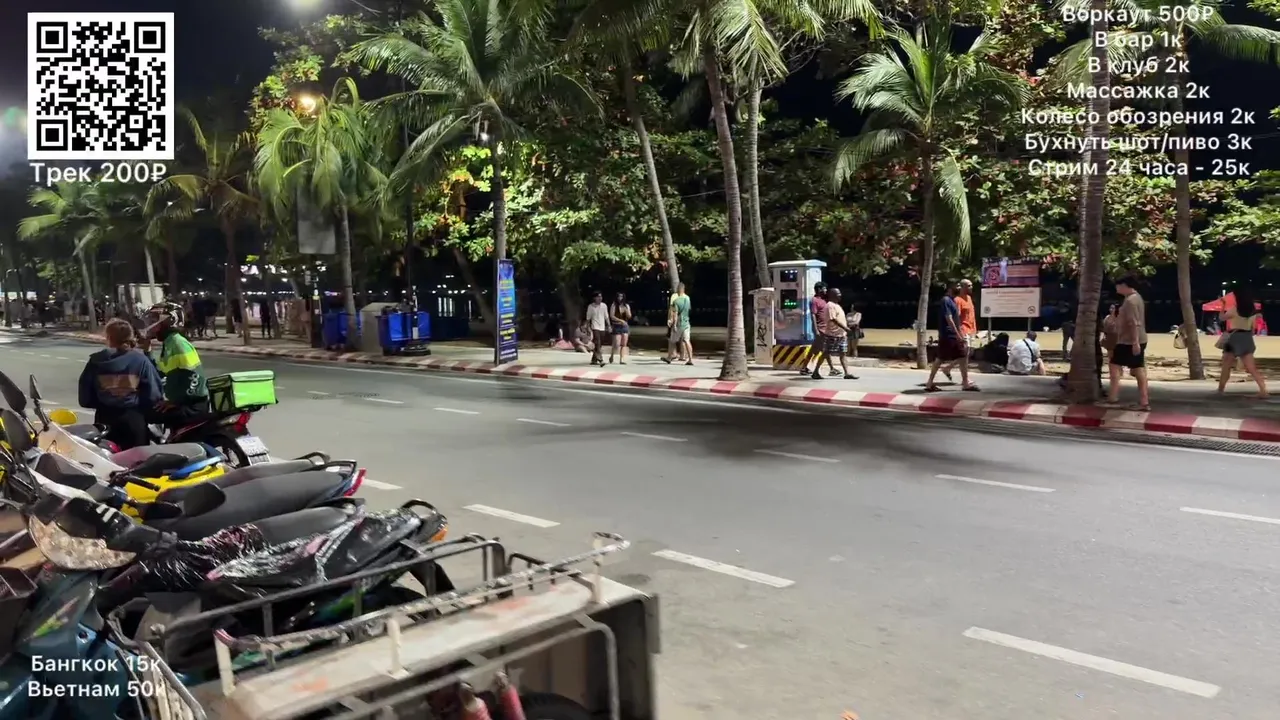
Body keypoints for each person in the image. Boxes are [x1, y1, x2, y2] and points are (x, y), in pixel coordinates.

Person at [78, 318, 164, 450]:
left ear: (109, 337)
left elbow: (85, 398)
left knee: (107, 458)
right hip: (133, 420)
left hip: (104, 421)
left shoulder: (96, 361)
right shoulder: (141, 360)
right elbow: (153, 395)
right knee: (136, 459)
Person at [142, 302, 211, 428]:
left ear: (169, 321)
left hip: (191, 406)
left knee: (143, 414)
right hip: (184, 403)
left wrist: (176, 402)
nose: (152, 325)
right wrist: (147, 351)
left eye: (155, 320)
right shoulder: (169, 343)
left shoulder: (178, 344)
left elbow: (195, 377)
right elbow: (158, 373)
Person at [1106, 275, 1149, 410]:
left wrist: (1135, 343)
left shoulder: (1131, 301)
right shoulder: (1135, 298)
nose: (1116, 288)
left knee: (1116, 365)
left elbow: (1133, 323)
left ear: (1124, 285)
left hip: (1129, 341)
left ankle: (1114, 398)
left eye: (1118, 286)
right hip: (1133, 339)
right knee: (1137, 368)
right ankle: (1143, 401)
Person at [925, 283, 978, 392]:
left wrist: (960, 333)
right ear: (950, 288)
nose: (959, 287)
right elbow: (949, 319)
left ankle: (930, 383)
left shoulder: (952, 300)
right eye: (957, 286)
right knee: (961, 356)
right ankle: (965, 383)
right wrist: (958, 335)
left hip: (950, 335)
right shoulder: (946, 300)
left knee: (943, 358)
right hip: (949, 335)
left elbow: (956, 319)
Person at [1216, 287, 1268, 398]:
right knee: (1251, 368)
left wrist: (1223, 305)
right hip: (1247, 338)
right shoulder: (1253, 312)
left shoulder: (1234, 309)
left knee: (1226, 366)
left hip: (1234, 338)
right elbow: (1253, 329)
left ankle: (1221, 389)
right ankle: (1263, 390)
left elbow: (1221, 318)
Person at [811, 288, 857, 380]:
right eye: (838, 294)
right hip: (833, 335)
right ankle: (815, 372)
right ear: (832, 295)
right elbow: (833, 319)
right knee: (826, 353)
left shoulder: (837, 305)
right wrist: (846, 328)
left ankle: (847, 373)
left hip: (841, 335)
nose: (840, 295)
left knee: (843, 353)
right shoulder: (830, 305)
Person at [939, 279, 976, 381]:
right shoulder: (957, 300)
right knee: (964, 355)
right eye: (969, 285)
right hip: (963, 329)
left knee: (966, 354)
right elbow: (956, 317)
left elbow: (971, 315)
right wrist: (959, 332)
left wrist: (974, 329)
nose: (971, 287)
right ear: (963, 287)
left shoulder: (969, 298)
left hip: (970, 329)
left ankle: (948, 368)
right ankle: (965, 379)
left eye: (971, 285)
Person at [800, 282, 838, 377]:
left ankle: (804, 368)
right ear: (819, 289)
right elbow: (813, 315)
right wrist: (816, 329)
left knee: (818, 349)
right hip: (821, 329)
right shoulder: (814, 300)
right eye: (824, 288)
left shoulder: (824, 300)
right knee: (823, 349)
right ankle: (831, 369)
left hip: (826, 328)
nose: (826, 290)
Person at [663, 282, 694, 366]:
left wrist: (674, 324)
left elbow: (675, 313)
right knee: (687, 340)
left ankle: (669, 357)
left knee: (672, 341)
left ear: (678, 289)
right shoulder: (687, 299)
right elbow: (689, 309)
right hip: (686, 323)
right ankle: (690, 359)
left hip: (679, 323)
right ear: (684, 289)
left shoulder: (676, 301)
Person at [585, 292, 610, 366]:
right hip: (595, 327)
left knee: (599, 344)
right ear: (594, 298)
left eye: (601, 296)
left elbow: (606, 316)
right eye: (598, 297)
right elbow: (588, 318)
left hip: (602, 327)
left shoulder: (604, 306)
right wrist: (587, 327)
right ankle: (600, 360)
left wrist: (609, 326)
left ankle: (594, 360)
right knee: (597, 342)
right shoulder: (591, 306)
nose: (600, 298)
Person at [609, 292, 632, 364]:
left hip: (625, 326)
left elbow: (629, 316)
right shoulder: (614, 305)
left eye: (621, 297)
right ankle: (612, 355)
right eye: (619, 296)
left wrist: (626, 310)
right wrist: (620, 320)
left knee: (624, 343)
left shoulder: (626, 306)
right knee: (616, 343)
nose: (620, 298)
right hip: (617, 325)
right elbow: (612, 316)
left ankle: (621, 359)